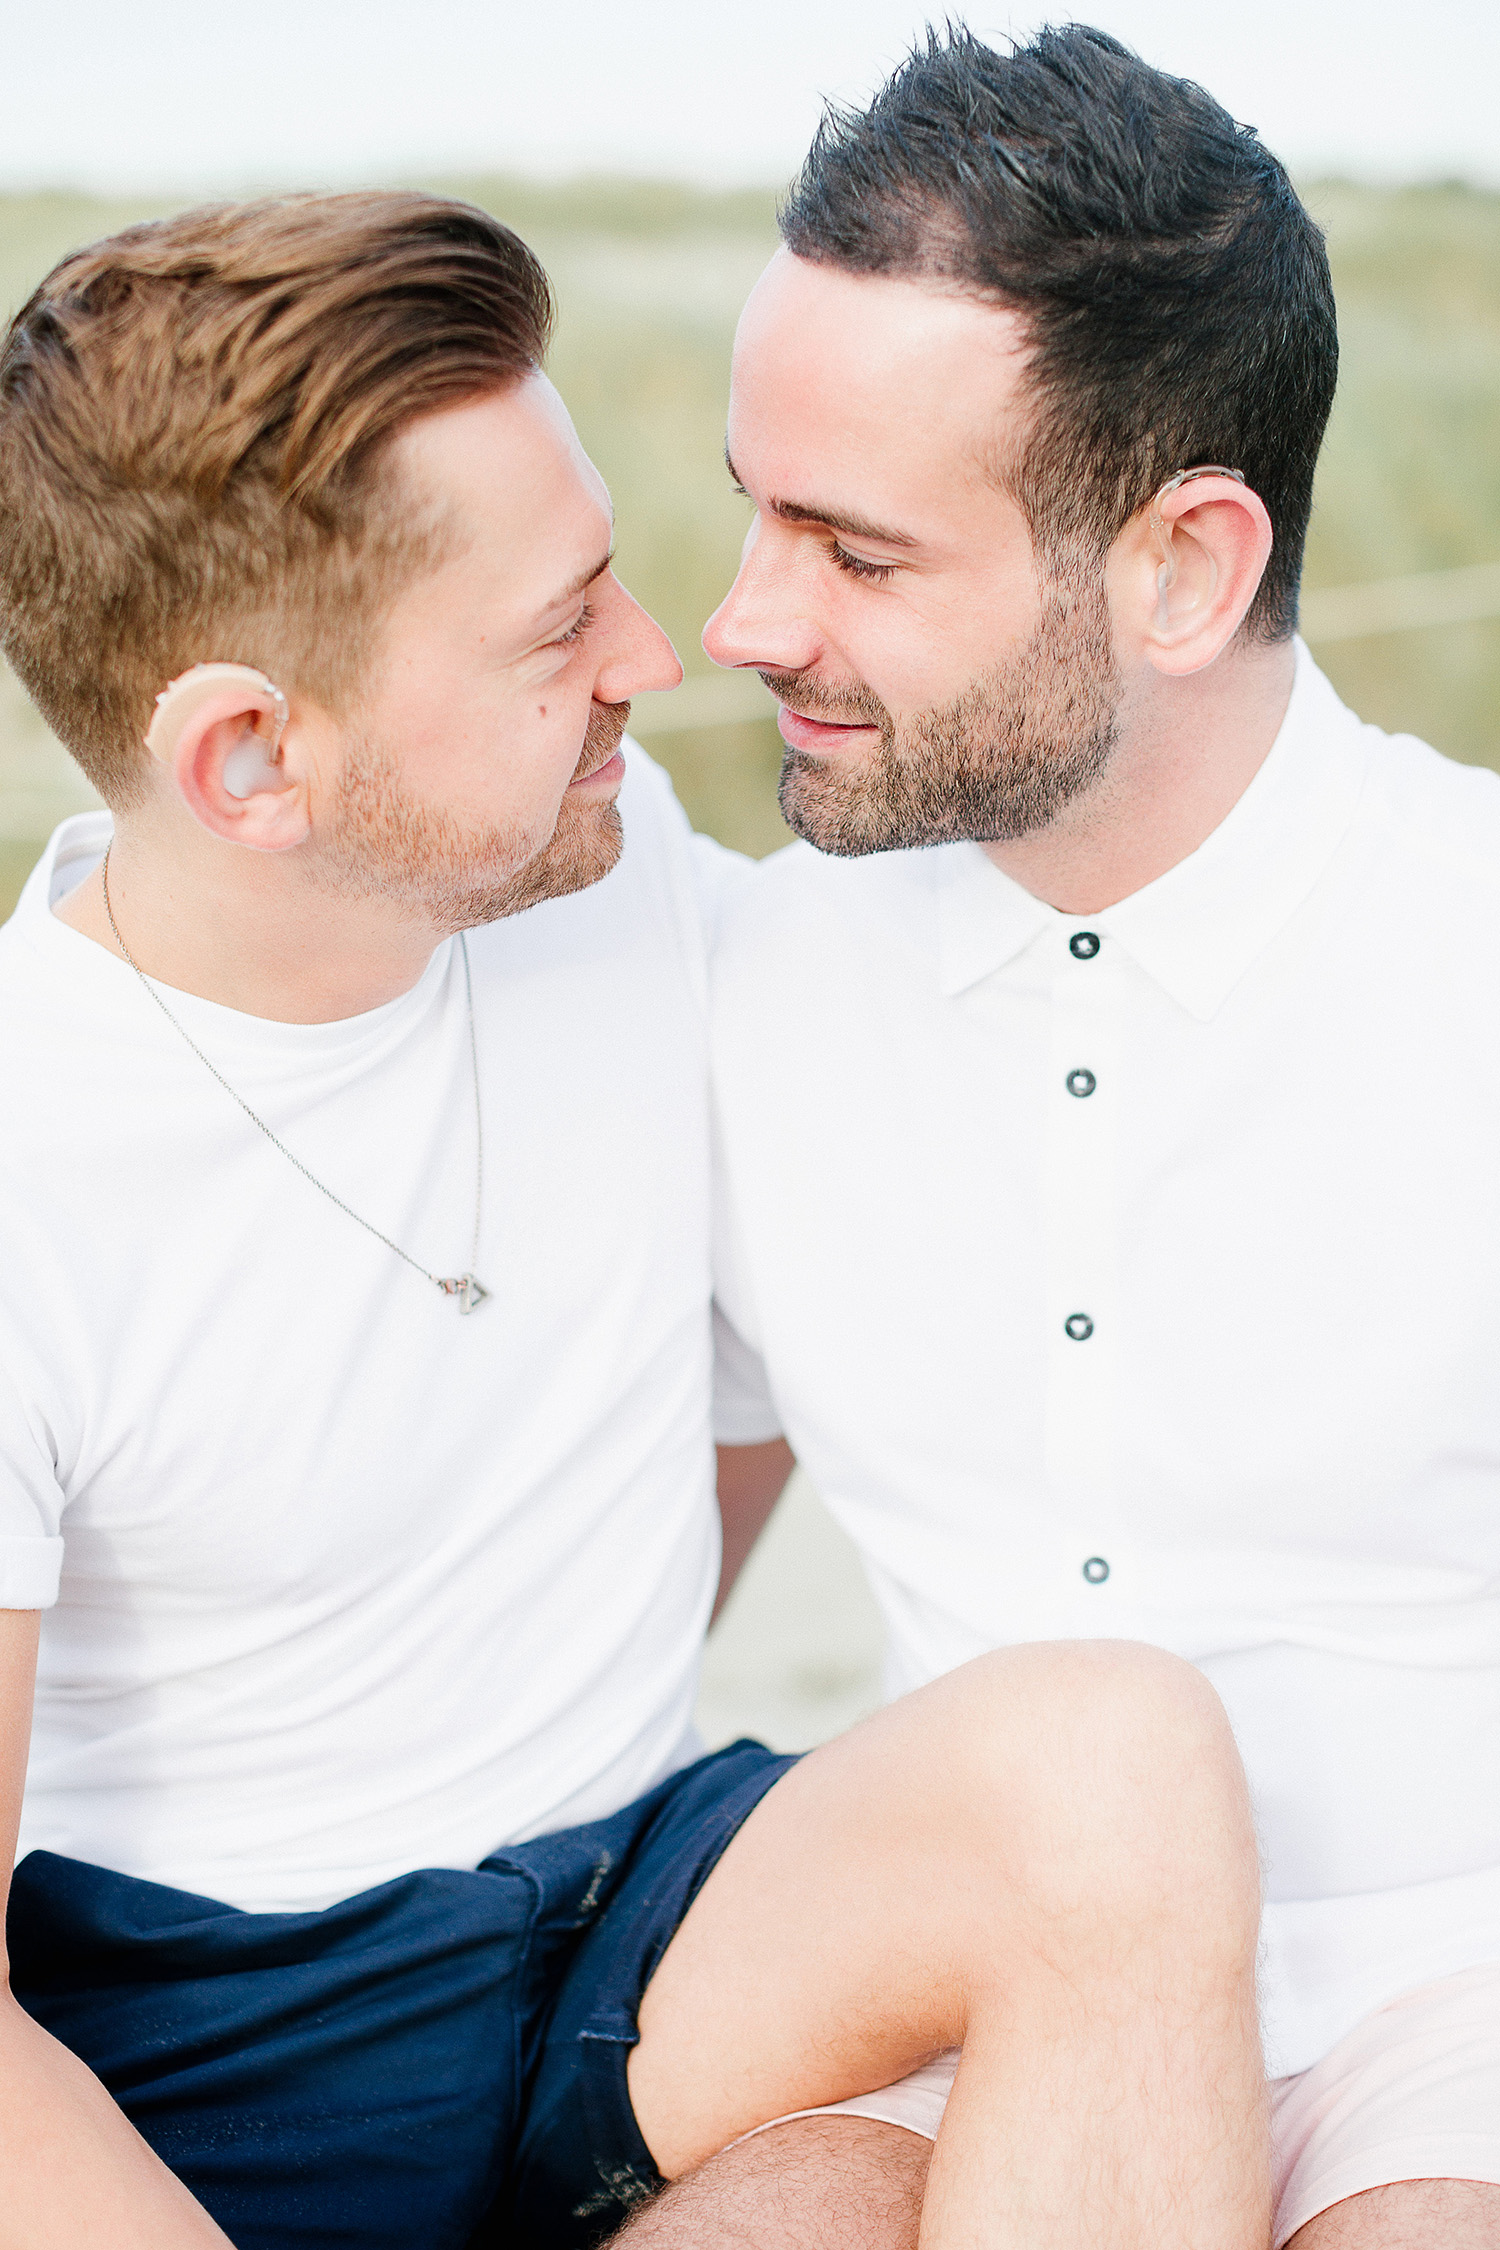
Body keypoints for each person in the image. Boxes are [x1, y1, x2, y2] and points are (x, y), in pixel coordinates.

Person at [0, 190, 1270, 2250]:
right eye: (553, 629)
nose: (654, 662)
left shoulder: (614, 870)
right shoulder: (28, 1161)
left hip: (638, 1931)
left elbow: (767, 1350)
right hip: (220, 2058)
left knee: (1106, 1769)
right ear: (251, 759)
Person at [706, 22, 1500, 2250]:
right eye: (749, 508)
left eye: (854, 550)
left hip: (1461, 1991)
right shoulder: (736, 981)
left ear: (1182, 568)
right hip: (946, 1982)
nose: (742, 622)